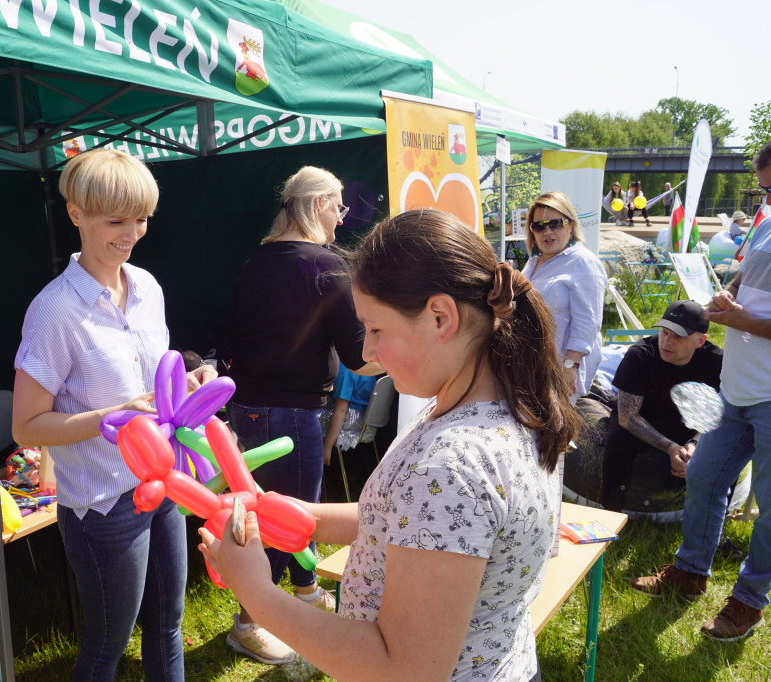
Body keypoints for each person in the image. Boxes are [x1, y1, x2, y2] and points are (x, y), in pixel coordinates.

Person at [201, 209, 580, 681]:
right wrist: (303, 516)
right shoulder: (518, 408)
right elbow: (414, 524)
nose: (366, 353)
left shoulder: (450, 467)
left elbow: (402, 670)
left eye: (376, 329)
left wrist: (256, 589)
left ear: (441, 317)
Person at [11, 149, 215, 680]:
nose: (132, 233)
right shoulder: (55, 310)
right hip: (102, 505)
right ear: (76, 213)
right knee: (108, 644)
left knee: (168, 624)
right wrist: (114, 415)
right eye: (116, 220)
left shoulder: (147, 288)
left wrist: (187, 386)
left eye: (142, 219)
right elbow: (26, 426)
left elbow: (154, 387)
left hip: (164, 480)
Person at [222, 165, 381, 664]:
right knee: (282, 522)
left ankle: (304, 595)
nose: (342, 216)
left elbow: (228, 343)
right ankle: (249, 623)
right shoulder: (326, 266)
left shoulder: (257, 261)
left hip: (246, 409)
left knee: (267, 513)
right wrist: (414, 353)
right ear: (316, 206)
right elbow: (359, 357)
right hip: (290, 416)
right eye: (338, 205)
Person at [631, 141, 771, 642]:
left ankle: (749, 602)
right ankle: (690, 573)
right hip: (739, 389)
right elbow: (749, 275)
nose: (767, 198)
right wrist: (729, 290)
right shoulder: (767, 223)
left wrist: (739, 319)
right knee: (705, 478)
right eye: (764, 188)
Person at [600, 301, 723, 511]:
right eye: (665, 332)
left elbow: (721, 414)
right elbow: (628, 417)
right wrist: (671, 448)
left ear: (700, 340)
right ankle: (610, 510)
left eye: (678, 336)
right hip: (643, 419)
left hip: (688, 425)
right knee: (619, 437)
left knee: (725, 443)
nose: (667, 342)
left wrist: (694, 445)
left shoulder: (716, 361)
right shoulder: (639, 355)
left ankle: (711, 520)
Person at [521, 191, 608, 399]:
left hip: (560, 368)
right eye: (539, 226)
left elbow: (589, 321)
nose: (547, 231)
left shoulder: (583, 262)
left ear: (570, 224)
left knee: (553, 427)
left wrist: (571, 365)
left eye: (555, 223)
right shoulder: (534, 261)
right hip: (530, 365)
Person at [321, 361, 378, 466]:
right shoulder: (368, 364)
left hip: (350, 423)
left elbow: (341, 410)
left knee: (308, 414)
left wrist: (327, 446)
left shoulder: (345, 369)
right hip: (367, 423)